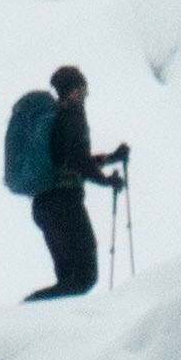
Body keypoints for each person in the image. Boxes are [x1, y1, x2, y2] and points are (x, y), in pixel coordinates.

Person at [23, 64, 127, 301]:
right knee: (83, 278)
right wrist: (107, 181)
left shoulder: (57, 117)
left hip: (46, 205)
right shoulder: (72, 115)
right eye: (84, 89)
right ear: (75, 90)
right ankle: (26, 311)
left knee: (70, 281)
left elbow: (71, 159)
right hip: (64, 205)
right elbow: (78, 161)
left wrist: (111, 158)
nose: (86, 94)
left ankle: (29, 315)